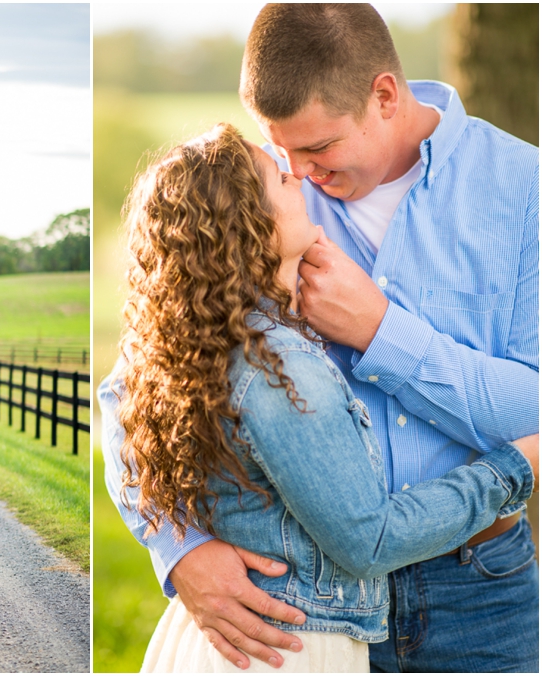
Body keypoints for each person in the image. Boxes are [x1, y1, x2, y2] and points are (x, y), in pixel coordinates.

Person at [99, 4, 539, 672]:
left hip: (479, 591)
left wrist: (380, 332)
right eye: (282, 151)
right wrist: (178, 548)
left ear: (384, 96)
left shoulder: (525, 190)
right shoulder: (254, 207)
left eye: (317, 149)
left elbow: (536, 410)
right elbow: (135, 387)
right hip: (295, 607)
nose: (300, 171)